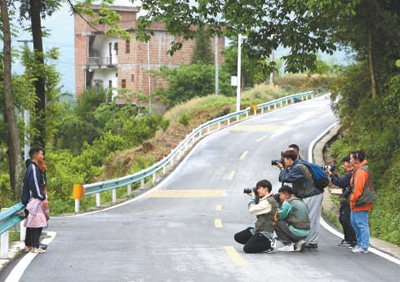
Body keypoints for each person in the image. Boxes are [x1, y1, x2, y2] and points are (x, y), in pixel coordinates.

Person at [275, 150, 323, 250]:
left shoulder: (298, 167)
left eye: (284, 160)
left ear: (289, 159)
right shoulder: (297, 166)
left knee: (311, 219)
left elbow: (286, 178)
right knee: (310, 218)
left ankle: (312, 242)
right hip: (310, 194)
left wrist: (282, 168)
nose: (283, 162)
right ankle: (308, 241)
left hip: (312, 195)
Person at [234, 179, 278, 253]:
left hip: (265, 232)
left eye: (259, 188)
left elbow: (252, 209)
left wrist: (253, 197)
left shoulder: (268, 202)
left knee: (248, 248)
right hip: (258, 229)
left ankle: (270, 244)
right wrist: (255, 196)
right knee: (238, 237)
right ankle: (256, 242)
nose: (258, 190)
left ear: (266, 188)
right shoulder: (265, 199)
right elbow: (258, 204)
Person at [324, 156, 357, 247]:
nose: (343, 166)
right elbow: (341, 182)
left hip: (349, 200)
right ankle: (348, 239)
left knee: (346, 219)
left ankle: (353, 240)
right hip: (347, 200)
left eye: (344, 164)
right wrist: (334, 174)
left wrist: (330, 174)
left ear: (350, 163)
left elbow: (340, 183)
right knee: (342, 219)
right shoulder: (350, 174)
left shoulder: (352, 174)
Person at [21, 147, 49, 254]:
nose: (42, 157)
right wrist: (42, 198)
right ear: (36, 155)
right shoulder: (33, 168)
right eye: (41, 154)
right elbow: (35, 186)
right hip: (34, 200)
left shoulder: (34, 168)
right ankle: (35, 246)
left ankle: (30, 245)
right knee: (37, 224)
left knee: (32, 223)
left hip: (32, 199)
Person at [349, 150, 373, 254]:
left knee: (361, 224)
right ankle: (360, 243)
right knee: (355, 223)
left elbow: (358, 189)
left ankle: (364, 246)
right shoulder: (358, 169)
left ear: (356, 160)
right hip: (357, 201)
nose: (350, 161)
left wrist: (353, 200)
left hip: (360, 201)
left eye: (351, 158)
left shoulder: (361, 172)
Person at [275, 185, 310, 252]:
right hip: (306, 233)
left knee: (276, 222)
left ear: (286, 195)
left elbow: (280, 216)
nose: (279, 197)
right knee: (289, 221)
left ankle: (288, 245)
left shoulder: (287, 202)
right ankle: (298, 242)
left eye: (280, 195)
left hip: (297, 232)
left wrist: (277, 205)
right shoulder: (300, 201)